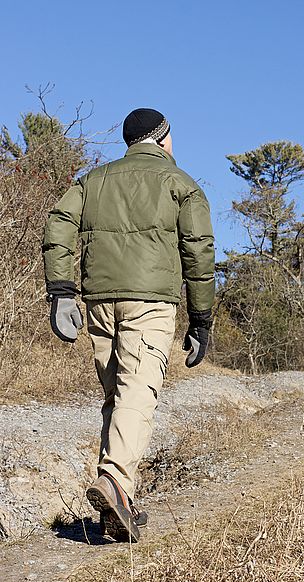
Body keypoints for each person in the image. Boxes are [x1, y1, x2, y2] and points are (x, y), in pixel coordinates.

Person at [42, 108, 215, 542]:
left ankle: (116, 509)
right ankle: (115, 480)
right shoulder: (181, 185)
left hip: (99, 301)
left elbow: (60, 223)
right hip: (151, 302)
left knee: (118, 398)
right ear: (162, 138)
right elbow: (199, 254)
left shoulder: (93, 180)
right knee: (138, 393)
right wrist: (201, 318)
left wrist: (62, 290)